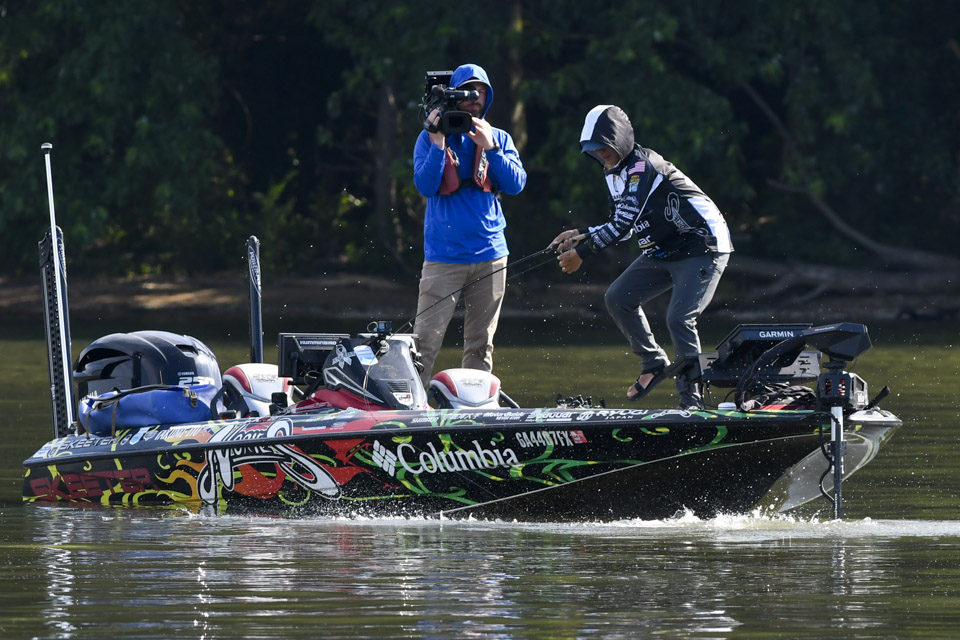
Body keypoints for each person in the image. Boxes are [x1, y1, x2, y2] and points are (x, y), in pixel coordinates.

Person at [551, 104, 733, 409]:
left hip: (702, 245)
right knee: (618, 297)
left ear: (620, 141)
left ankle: (691, 401)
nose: (601, 155)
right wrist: (582, 233)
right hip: (663, 249)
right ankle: (653, 362)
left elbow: (624, 223)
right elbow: (623, 226)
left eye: (604, 147)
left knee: (679, 318)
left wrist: (581, 253)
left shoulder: (641, 166)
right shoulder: (612, 173)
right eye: (594, 150)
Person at [412, 63, 527, 388]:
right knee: (424, 341)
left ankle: (473, 405)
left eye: (481, 92)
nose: (474, 98)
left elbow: (516, 184)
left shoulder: (498, 137)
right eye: (467, 92)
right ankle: (410, 404)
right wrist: (438, 142)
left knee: (480, 343)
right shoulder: (429, 137)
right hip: (443, 257)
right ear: (453, 96)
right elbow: (425, 185)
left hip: (491, 255)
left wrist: (491, 148)